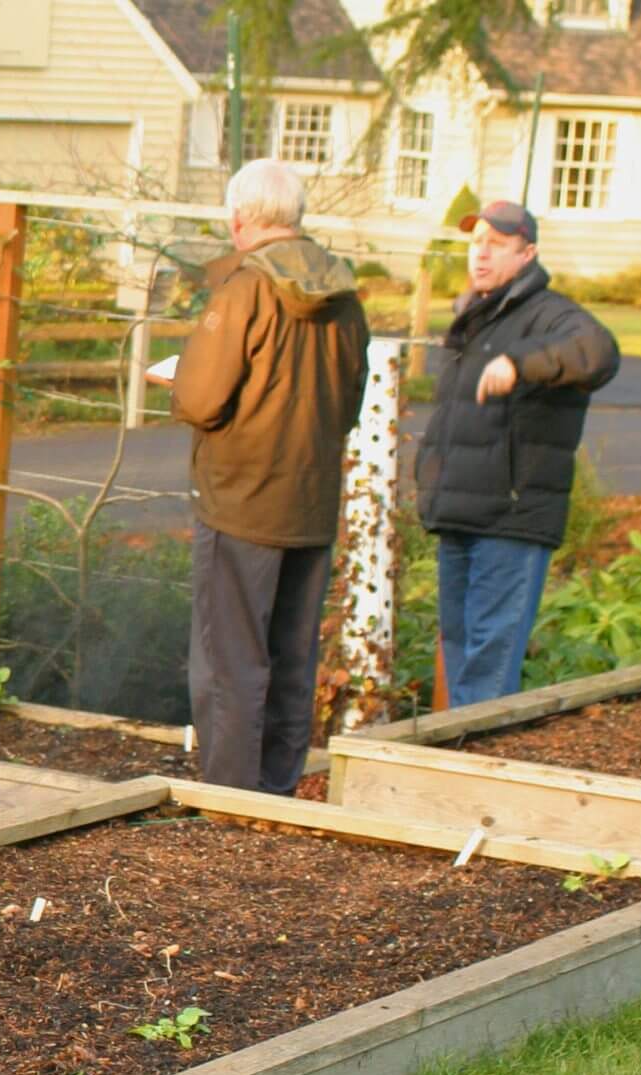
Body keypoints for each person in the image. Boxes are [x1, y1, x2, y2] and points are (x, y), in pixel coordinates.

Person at [169, 159, 369, 794]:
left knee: (230, 656)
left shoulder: (244, 290)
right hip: (309, 499)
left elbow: (201, 398)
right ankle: (279, 789)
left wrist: (176, 378)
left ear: (239, 220)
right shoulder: (345, 297)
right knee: (291, 653)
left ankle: (230, 797)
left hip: (240, 496)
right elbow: (349, 400)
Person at [414, 200, 620, 706]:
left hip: (510, 520)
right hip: (459, 514)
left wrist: (521, 363)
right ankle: (455, 779)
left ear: (527, 254)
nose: (480, 254)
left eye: (496, 244)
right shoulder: (478, 315)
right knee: (460, 658)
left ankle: (484, 782)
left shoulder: (550, 314)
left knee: (488, 676)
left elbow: (599, 352)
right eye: (475, 241)